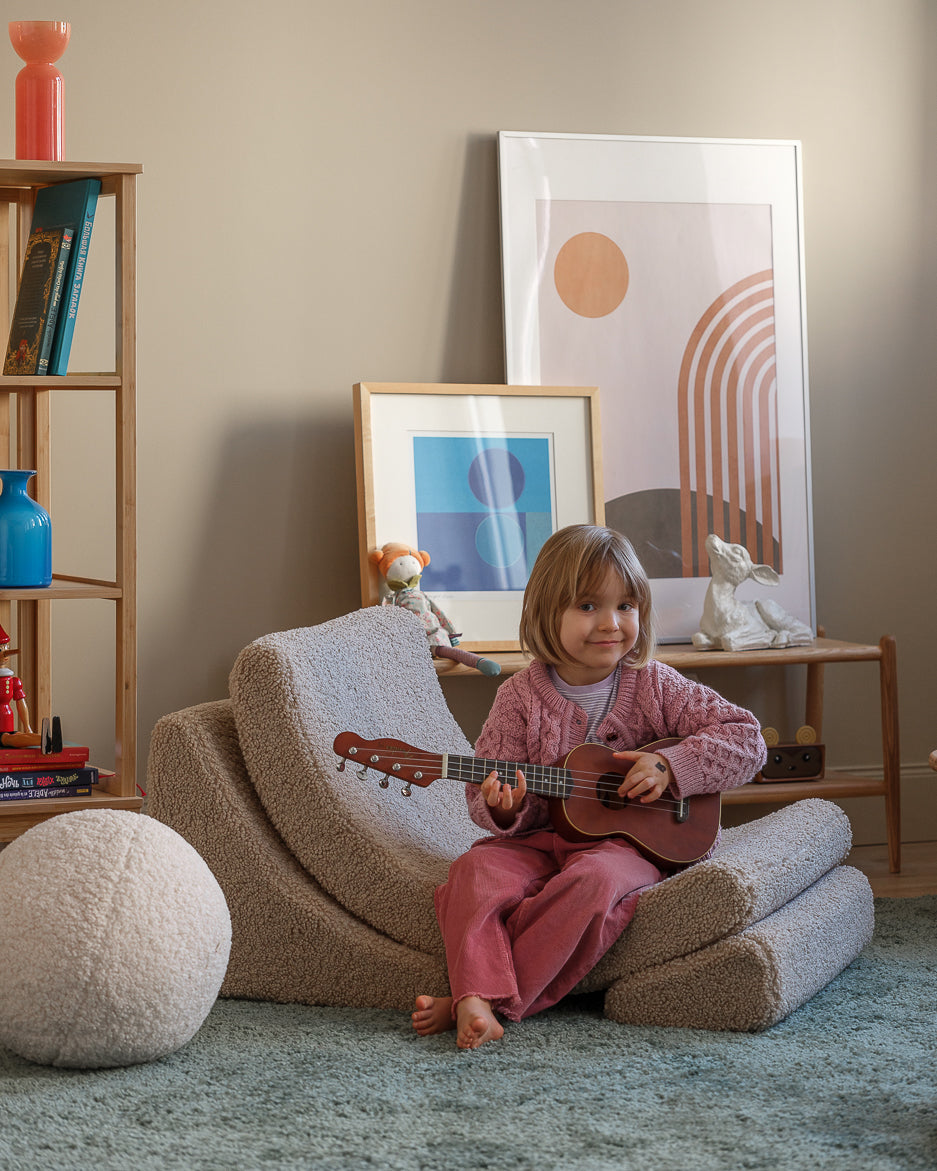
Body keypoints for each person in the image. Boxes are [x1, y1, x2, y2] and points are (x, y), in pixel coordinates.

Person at [412, 524, 767, 1049]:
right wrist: (505, 808)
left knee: (595, 882)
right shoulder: (519, 698)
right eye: (587, 606)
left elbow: (747, 739)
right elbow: (487, 794)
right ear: (545, 613)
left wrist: (672, 766)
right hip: (540, 841)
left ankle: (482, 997)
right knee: (475, 870)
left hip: (628, 847)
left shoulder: (655, 684)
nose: (611, 623)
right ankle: (477, 994)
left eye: (626, 605)